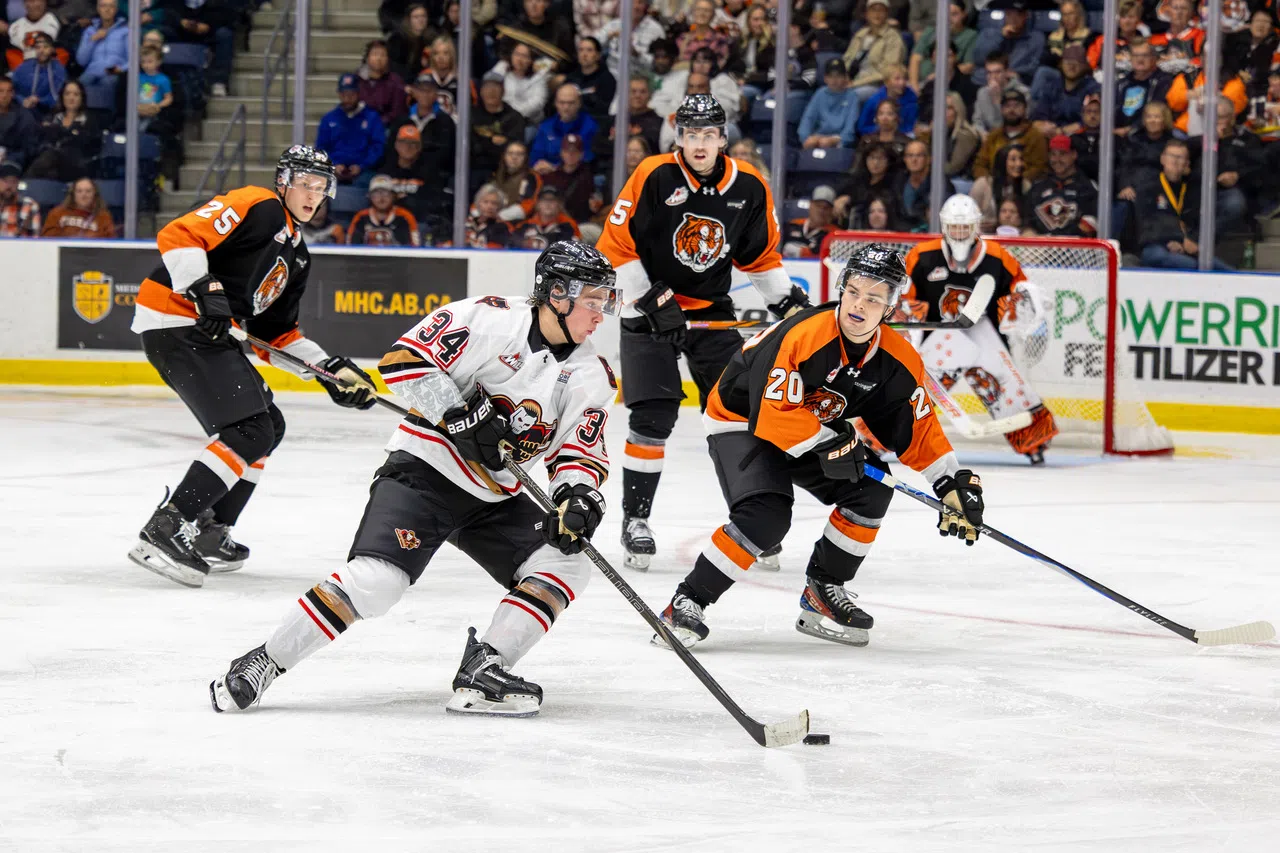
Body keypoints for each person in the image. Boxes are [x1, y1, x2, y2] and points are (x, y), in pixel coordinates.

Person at [209, 241, 620, 718]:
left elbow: (578, 450)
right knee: (377, 583)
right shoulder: (490, 319)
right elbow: (403, 362)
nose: (600, 313)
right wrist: (459, 415)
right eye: (592, 300)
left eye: (604, 301)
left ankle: (485, 667)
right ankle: (264, 661)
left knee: (566, 563)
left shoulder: (592, 373)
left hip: (498, 494)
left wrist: (577, 496)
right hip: (427, 469)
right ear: (556, 293)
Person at [652, 246, 985, 650]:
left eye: (874, 298)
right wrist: (832, 442)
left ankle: (823, 590)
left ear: (890, 308)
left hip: (814, 430)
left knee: (872, 491)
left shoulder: (898, 360)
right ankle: (688, 600)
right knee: (766, 516)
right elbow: (773, 415)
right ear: (842, 290)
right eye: (855, 292)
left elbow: (918, 429)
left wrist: (950, 483)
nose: (860, 305)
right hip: (741, 421)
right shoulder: (804, 334)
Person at [127, 146, 378, 587]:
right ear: (284, 182)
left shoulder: (297, 256)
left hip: (202, 333)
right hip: (174, 319)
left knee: (269, 426)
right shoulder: (256, 204)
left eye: (320, 187)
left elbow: (276, 335)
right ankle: (167, 525)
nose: (312, 194)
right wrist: (203, 287)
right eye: (304, 183)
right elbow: (179, 234)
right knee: (249, 430)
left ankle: (209, 530)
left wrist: (328, 370)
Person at [595, 94, 798, 571]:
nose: (700, 144)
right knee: (653, 417)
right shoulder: (653, 174)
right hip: (647, 316)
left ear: (723, 138)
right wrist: (652, 300)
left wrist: (785, 301)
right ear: (679, 137)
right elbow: (617, 246)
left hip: (711, 313)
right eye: (691, 135)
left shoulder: (749, 185)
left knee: (738, 415)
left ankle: (753, 520)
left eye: (709, 135)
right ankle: (635, 520)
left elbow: (761, 258)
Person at [901, 194, 1058, 463]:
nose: (959, 234)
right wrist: (908, 323)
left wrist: (1026, 300)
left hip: (983, 328)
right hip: (936, 332)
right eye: (954, 227)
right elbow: (905, 297)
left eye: (965, 227)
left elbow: (1020, 287)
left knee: (1003, 378)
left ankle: (1034, 439)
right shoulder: (922, 256)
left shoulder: (997, 256)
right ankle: (879, 435)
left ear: (975, 227)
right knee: (912, 387)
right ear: (944, 226)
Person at [1134, 138, 1230, 269]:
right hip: (1155, 244)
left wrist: (1188, 241)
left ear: (1187, 163)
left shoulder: (1192, 188)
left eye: (1181, 158)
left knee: (1222, 268)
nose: (1175, 161)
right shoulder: (1148, 186)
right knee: (1185, 263)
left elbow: (1197, 220)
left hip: (1186, 245)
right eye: (1172, 156)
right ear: (1162, 159)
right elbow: (1148, 221)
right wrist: (1177, 238)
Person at [315, 74, 386, 189]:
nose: (347, 99)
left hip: (364, 170)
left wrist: (362, 165)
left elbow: (377, 146)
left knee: (372, 184)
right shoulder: (329, 118)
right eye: (344, 94)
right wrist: (334, 164)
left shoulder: (371, 117)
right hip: (334, 169)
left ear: (358, 93)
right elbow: (321, 148)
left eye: (351, 94)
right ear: (339, 94)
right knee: (318, 184)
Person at [1026, 134, 1098, 237]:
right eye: (1053, 154)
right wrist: (1030, 232)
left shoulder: (1087, 187)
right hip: (1040, 249)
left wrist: (1059, 239)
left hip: (1077, 249)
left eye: (1062, 154)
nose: (1057, 159)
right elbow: (1028, 221)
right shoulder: (1038, 187)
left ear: (1074, 154)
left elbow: (1091, 222)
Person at [25, 79, 97, 181]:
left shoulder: (89, 120)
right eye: (67, 94)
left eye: (76, 94)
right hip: (52, 165)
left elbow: (88, 145)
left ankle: (26, 182)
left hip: (78, 164)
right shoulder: (54, 118)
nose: (71, 98)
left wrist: (57, 130)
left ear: (82, 98)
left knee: (51, 155)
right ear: (62, 97)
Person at [162, 0, 235, 97]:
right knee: (162, 32)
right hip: (179, 31)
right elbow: (166, 10)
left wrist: (209, 26)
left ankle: (218, 81)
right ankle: (159, 79)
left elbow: (228, 13)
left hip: (209, 32)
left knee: (225, 34)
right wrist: (180, 22)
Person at [1030, 0, 1095, 108]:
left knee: (1043, 73)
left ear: (1078, 15)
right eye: (1064, 14)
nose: (1067, 18)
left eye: (1071, 14)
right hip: (1057, 75)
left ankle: (1033, 105)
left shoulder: (1088, 36)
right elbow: (1044, 59)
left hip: (1078, 76)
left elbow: (1085, 61)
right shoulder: (1054, 36)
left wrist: (1058, 59)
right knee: (1043, 73)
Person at [973, 90, 1047, 181]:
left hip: (1024, 185)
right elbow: (980, 164)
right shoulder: (993, 136)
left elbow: (1039, 168)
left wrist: (1014, 181)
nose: (1011, 110)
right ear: (1001, 110)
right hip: (993, 184)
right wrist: (989, 180)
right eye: (1007, 106)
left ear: (1025, 109)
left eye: (1017, 105)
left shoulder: (1036, 136)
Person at [1029, 44, 1100, 138]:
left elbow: (1093, 119)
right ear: (1061, 64)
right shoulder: (1052, 86)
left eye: (1077, 63)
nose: (1071, 67)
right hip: (1052, 136)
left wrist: (1063, 131)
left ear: (1085, 66)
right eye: (1068, 62)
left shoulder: (1093, 88)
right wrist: (1041, 125)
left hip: (1080, 138)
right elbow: (1039, 115)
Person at [971, 0, 1043, 87]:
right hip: (985, 81)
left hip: (1016, 83)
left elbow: (1034, 66)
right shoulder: (989, 33)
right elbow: (979, 59)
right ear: (1005, 14)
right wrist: (1000, 36)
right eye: (1009, 14)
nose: (1013, 19)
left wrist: (1010, 73)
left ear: (1026, 15)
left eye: (1018, 14)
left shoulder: (1036, 38)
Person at [530, 84, 599, 175]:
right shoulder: (546, 126)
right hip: (546, 176)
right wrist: (539, 166)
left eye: (571, 103)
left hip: (577, 179)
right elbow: (535, 157)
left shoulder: (590, 126)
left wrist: (556, 169)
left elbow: (587, 161)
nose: (566, 107)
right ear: (555, 103)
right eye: (562, 103)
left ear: (579, 103)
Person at [846, 0, 907, 102]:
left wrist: (855, 84)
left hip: (877, 85)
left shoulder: (893, 38)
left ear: (887, 14)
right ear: (866, 14)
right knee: (824, 93)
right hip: (851, 81)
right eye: (873, 10)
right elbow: (847, 58)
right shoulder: (860, 34)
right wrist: (843, 78)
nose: (877, 14)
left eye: (881, 10)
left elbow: (888, 72)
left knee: (852, 96)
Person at [911, 0, 976, 92]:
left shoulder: (970, 35)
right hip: (922, 82)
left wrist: (940, 74)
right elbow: (915, 58)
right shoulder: (930, 31)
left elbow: (969, 66)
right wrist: (914, 86)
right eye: (946, 13)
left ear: (963, 15)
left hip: (949, 84)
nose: (949, 18)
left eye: (954, 14)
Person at [471, 73, 527, 176]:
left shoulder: (514, 118)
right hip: (474, 168)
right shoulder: (471, 114)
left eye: (495, 87)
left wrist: (485, 143)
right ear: (481, 91)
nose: (491, 91)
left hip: (503, 171)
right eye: (487, 87)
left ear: (503, 91)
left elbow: (515, 148)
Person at [836, 140, 903, 227]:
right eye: (872, 157)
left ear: (888, 161)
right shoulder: (860, 178)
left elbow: (878, 201)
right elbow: (846, 191)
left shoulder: (894, 182)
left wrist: (850, 198)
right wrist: (842, 198)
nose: (875, 163)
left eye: (880, 158)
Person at [798, 57, 860, 150]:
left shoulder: (852, 96)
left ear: (845, 77)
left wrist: (836, 140)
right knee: (811, 142)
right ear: (825, 78)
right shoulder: (820, 93)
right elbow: (808, 119)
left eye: (838, 76)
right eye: (831, 76)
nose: (834, 80)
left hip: (839, 140)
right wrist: (805, 138)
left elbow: (850, 128)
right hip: (818, 138)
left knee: (825, 143)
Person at [74, 0, 127, 109]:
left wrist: (121, 68)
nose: (107, 9)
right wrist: (93, 40)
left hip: (113, 71)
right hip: (92, 72)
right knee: (75, 88)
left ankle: (107, 121)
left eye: (111, 6)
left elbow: (133, 58)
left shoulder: (125, 30)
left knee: (108, 83)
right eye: (103, 6)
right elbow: (81, 61)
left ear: (116, 9)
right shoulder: (90, 30)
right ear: (98, 9)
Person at [969, 142, 1030, 233]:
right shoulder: (983, 185)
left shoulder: (1025, 185)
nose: (1019, 164)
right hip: (985, 234)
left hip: (1016, 234)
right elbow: (970, 216)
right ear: (1002, 161)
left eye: (1021, 159)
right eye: (1013, 160)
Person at [347, 173, 422, 246]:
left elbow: (414, 246)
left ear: (393, 196)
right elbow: (350, 246)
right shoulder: (361, 217)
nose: (381, 198)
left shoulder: (405, 216)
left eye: (386, 193)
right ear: (370, 196)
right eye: (376, 193)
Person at [1115, 39, 1172, 134]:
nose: (1140, 59)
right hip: (1118, 133)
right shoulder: (1121, 83)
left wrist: (1130, 129)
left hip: (1148, 135)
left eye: (1145, 55)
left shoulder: (1163, 81)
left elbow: (1158, 113)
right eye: (1135, 55)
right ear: (1130, 58)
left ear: (1154, 58)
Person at [897, 139, 954, 231]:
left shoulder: (941, 184)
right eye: (910, 155)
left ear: (929, 159)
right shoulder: (899, 181)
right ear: (905, 159)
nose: (914, 160)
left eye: (919, 155)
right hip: (902, 235)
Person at [598, 0, 665, 78]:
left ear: (646, 6)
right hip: (612, 79)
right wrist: (609, 37)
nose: (635, 6)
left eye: (640, 2)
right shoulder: (614, 25)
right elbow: (593, 45)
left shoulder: (656, 30)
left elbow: (660, 64)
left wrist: (636, 54)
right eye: (632, 2)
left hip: (640, 81)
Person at [542, 133, 598, 226]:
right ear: (561, 153)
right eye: (567, 151)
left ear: (581, 154)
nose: (570, 155)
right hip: (553, 222)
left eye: (574, 152)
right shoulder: (551, 176)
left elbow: (587, 205)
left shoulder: (587, 177)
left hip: (579, 223)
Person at [491, 41, 550, 125]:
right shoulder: (502, 67)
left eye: (524, 56)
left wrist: (511, 115)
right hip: (500, 117)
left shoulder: (538, 77)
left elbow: (537, 104)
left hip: (528, 122)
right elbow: (490, 88)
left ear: (531, 60)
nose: (519, 59)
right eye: (516, 54)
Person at [971, 51, 1027, 136]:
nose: (993, 77)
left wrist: (997, 101)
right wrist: (983, 134)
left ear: (1007, 72)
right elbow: (977, 122)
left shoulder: (1023, 92)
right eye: (989, 73)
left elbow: (1007, 127)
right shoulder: (982, 92)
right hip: (988, 140)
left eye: (997, 72)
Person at [565, 35, 616, 126]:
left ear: (597, 55)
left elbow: (603, 109)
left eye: (589, 50)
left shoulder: (607, 79)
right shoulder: (571, 78)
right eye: (581, 50)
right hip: (569, 121)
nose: (584, 54)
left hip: (594, 124)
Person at [40, 175, 114, 237]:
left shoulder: (103, 217)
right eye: (79, 191)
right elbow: (48, 239)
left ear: (95, 195)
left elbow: (109, 243)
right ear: (73, 194)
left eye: (88, 191)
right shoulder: (57, 213)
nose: (83, 195)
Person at [357, 39, 407, 127]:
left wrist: (376, 122)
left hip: (385, 127)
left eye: (383, 55)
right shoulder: (357, 79)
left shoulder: (395, 81)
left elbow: (397, 112)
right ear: (367, 58)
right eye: (375, 54)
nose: (379, 58)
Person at [509, 185, 581, 247]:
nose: (548, 204)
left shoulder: (569, 225)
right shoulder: (525, 225)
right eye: (544, 200)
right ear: (538, 204)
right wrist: (523, 243)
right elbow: (511, 243)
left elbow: (575, 246)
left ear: (559, 204)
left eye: (552, 200)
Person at [11, 30, 64, 113]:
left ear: (52, 49)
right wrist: (22, 100)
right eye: (38, 47)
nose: (41, 50)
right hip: (22, 111)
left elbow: (59, 96)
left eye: (45, 47)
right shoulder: (24, 67)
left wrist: (39, 100)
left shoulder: (58, 70)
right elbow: (11, 89)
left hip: (48, 113)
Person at [782, 184, 838, 258]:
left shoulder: (836, 234)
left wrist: (803, 253)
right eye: (818, 205)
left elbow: (831, 259)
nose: (821, 210)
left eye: (826, 208)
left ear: (831, 211)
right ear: (811, 205)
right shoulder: (792, 224)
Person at [491, 139, 539, 223]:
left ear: (525, 157)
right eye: (510, 153)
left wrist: (500, 216)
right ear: (504, 156)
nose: (514, 157)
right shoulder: (496, 176)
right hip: (493, 219)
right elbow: (482, 198)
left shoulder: (531, 177)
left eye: (519, 154)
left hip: (519, 224)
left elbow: (528, 205)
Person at [613, 75, 662, 155]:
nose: (637, 96)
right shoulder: (615, 119)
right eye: (633, 91)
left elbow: (650, 147)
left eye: (643, 92)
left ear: (650, 95)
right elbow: (598, 146)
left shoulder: (658, 123)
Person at [676, 0, 734, 66]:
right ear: (692, 13)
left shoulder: (721, 39)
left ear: (713, 15)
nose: (702, 13)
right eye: (698, 9)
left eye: (707, 10)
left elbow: (720, 65)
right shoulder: (682, 38)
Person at [1150, 0, 1204, 69]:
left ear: (1191, 13)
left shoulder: (1201, 36)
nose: (1179, 12)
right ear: (1168, 11)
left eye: (1184, 8)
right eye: (1175, 8)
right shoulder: (1154, 40)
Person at [0, 77, 39, 167]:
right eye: (1, 91)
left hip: (12, 162)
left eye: (8, 91)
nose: (4, 96)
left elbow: (29, 149)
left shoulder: (24, 117)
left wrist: (7, 155)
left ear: (13, 94)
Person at [133, 43, 172, 133]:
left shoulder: (163, 79)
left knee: (143, 129)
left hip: (153, 112)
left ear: (158, 62)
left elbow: (169, 98)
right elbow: (133, 94)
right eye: (143, 61)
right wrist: (137, 106)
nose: (146, 65)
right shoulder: (138, 77)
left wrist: (158, 105)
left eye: (150, 61)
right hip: (138, 110)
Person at [385, 2, 430, 81]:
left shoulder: (429, 39)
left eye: (423, 16)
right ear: (409, 20)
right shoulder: (397, 39)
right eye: (416, 17)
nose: (421, 20)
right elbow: (395, 68)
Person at [646, 38, 687, 120]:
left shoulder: (682, 76)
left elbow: (677, 105)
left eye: (664, 57)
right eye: (657, 57)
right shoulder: (646, 77)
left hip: (668, 119)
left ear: (672, 59)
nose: (660, 61)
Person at [0, 159, 41, 236]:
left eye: (13, 181)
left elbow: (34, 239)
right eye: (6, 181)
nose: (9, 185)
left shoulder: (29, 205)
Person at [464, 183, 512, 248]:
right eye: (485, 202)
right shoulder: (468, 223)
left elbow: (494, 251)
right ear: (479, 203)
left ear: (499, 206)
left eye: (494, 203)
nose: (489, 207)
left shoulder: (501, 228)